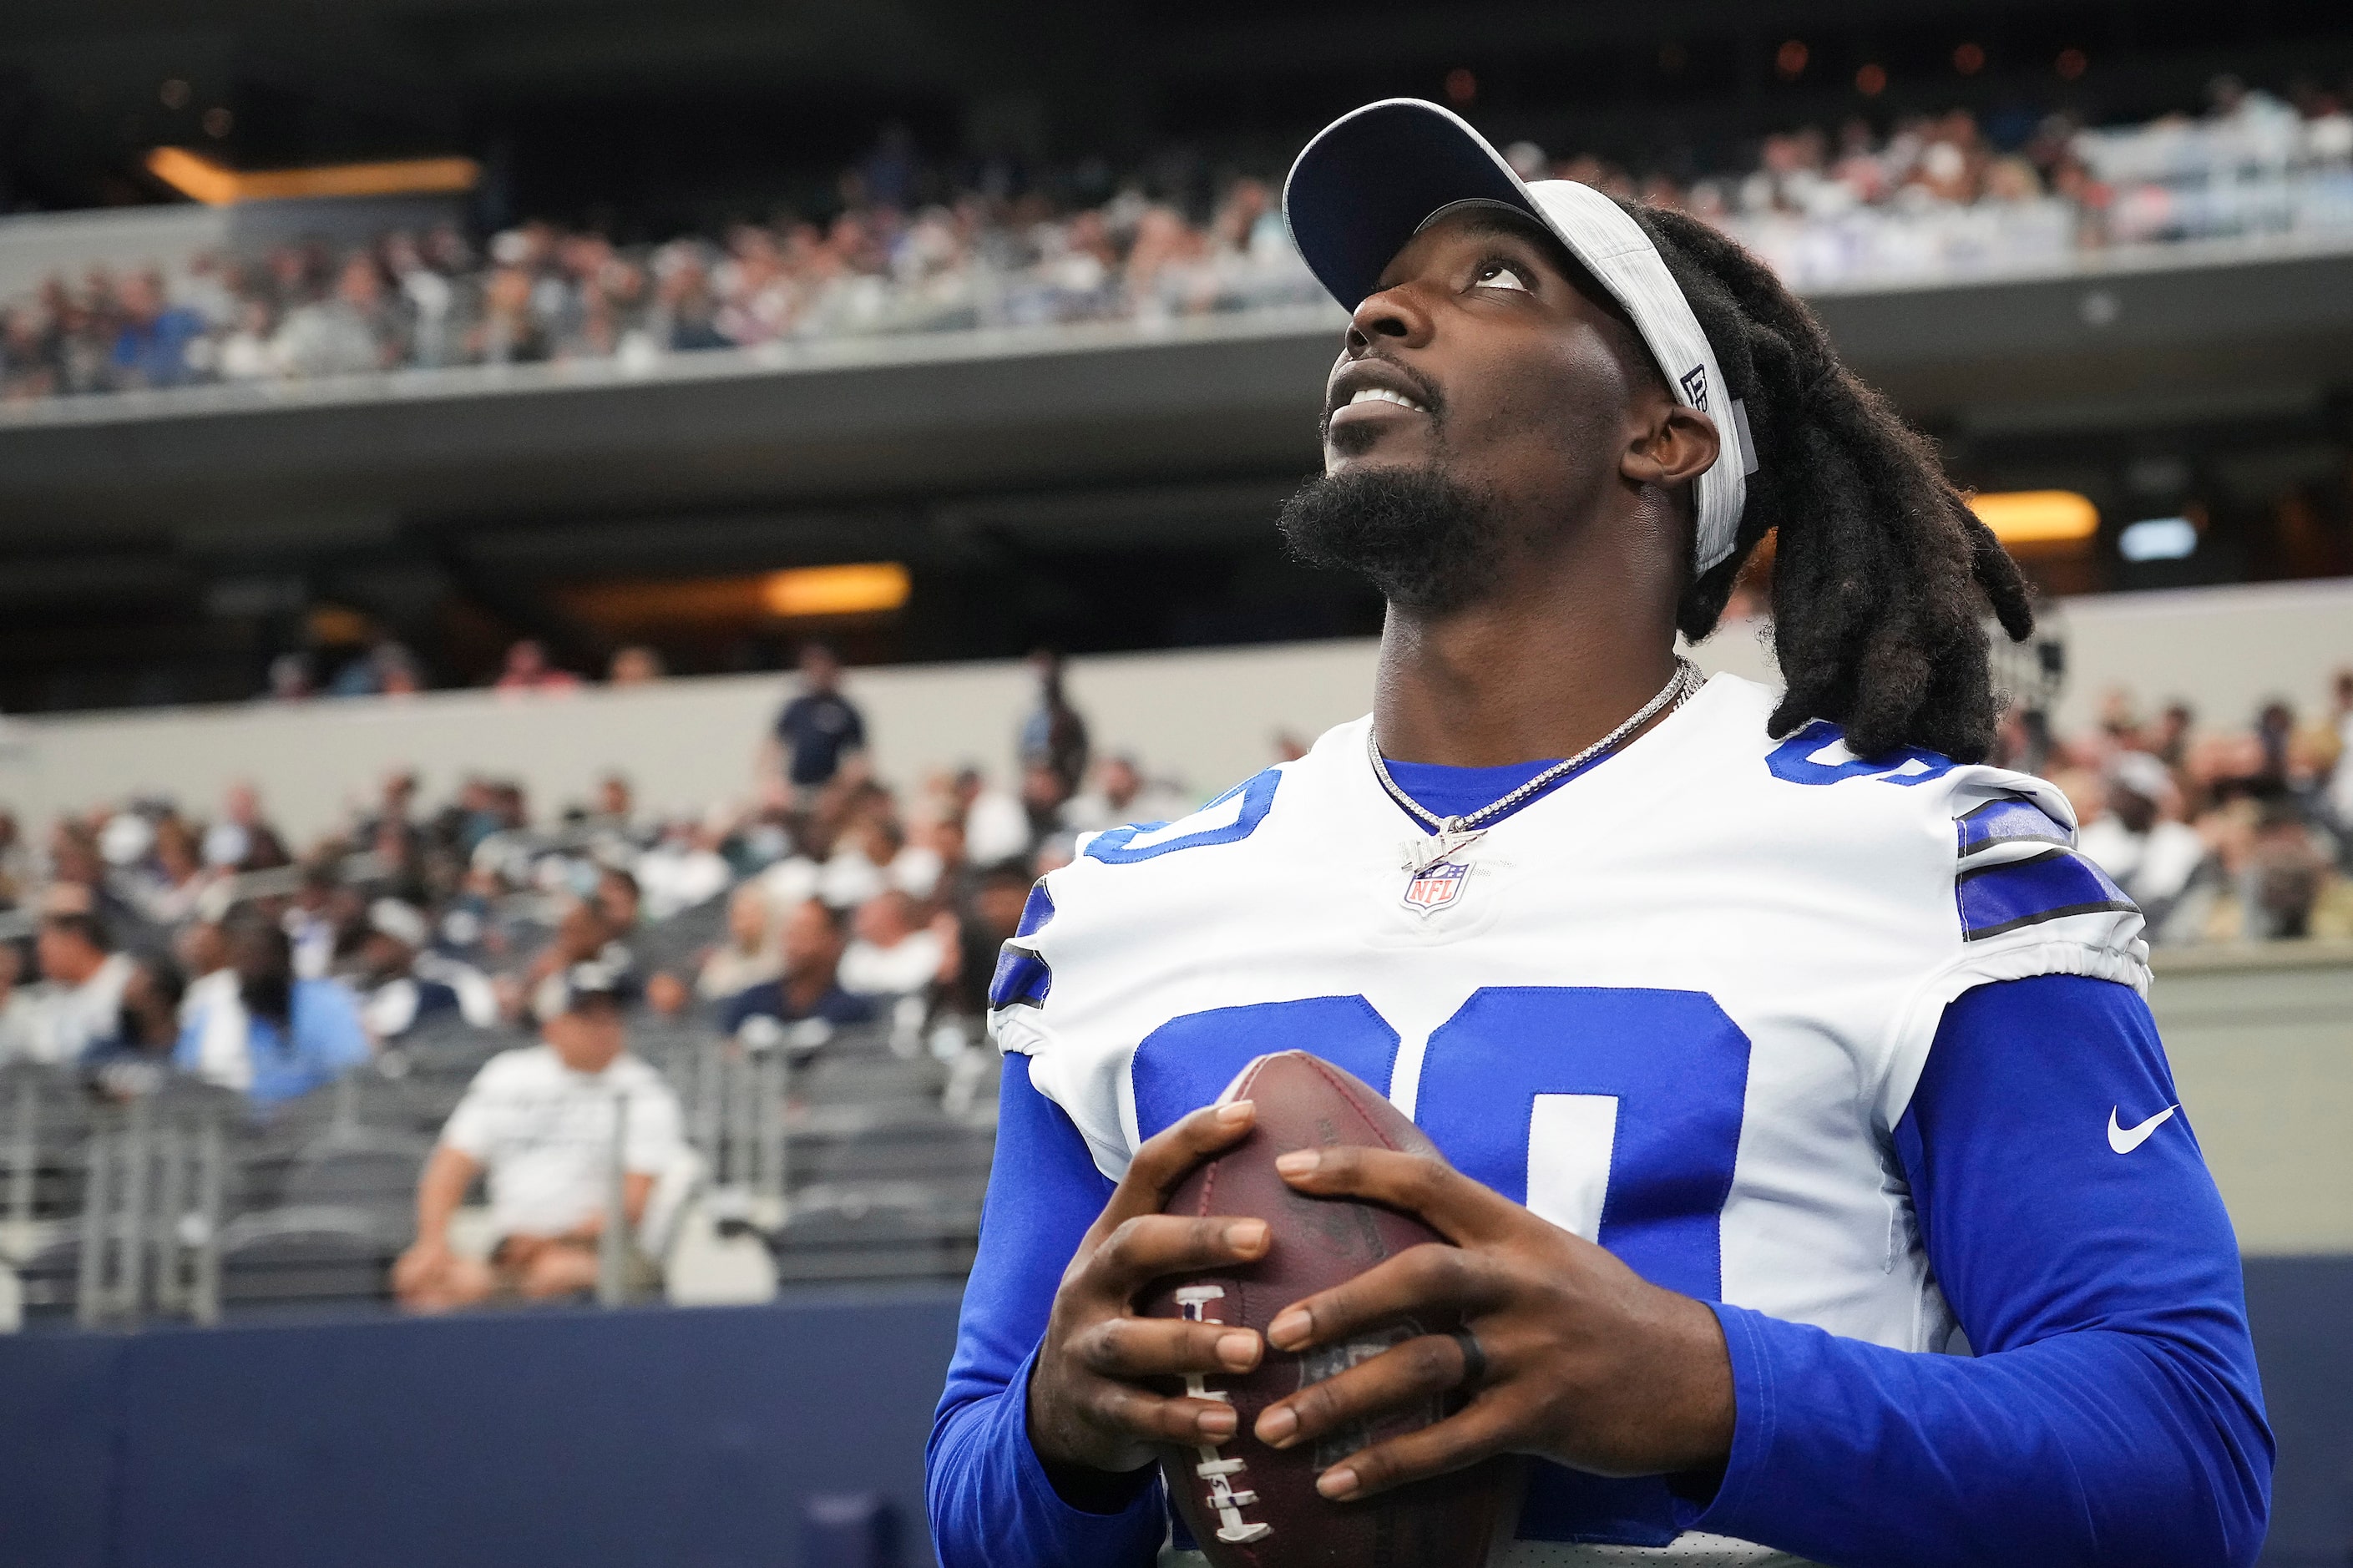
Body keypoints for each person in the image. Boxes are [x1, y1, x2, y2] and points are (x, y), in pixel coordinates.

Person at [928, 101, 2270, 1568]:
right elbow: (981, 1512)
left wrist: (1695, 1387)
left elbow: (2181, 1458)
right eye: (1382, 288)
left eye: (1494, 279)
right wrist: (1062, 1432)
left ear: (1661, 430)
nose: (1375, 307)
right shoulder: (1118, 914)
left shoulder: (1931, 863)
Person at [392, 959, 687, 1312]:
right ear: (552, 1025)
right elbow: (449, 1167)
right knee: (419, 1279)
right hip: (511, 1251)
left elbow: (629, 1208)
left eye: (611, 1015)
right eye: (587, 1016)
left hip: (604, 1251)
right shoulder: (507, 1076)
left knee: (557, 1274)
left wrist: (551, 1241)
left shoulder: (643, 1091)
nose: (603, 1027)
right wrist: (433, 1243)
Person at [175, 910, 371, 1105]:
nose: (253, 970)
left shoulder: (327, 1003)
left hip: (319, 1119)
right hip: (237, 1125)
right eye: (244, 960)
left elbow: (351, 1071)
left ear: (285, 959)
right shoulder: (217, 1011)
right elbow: (187, 1077)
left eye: (261, 957)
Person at [717, 898, 872, 1034]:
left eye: (804, 932)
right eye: (790, 932)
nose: (793, 943)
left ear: (832, 941)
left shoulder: (852, 1012)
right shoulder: (752, 1002)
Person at [19, 908, 134, 1067]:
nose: (41, 961)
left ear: (75, 940)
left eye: (46, 951)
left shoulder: (128, 978)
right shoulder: (53, 998)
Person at [767, 643, 867, 798]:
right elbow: (774, 745)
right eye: (814, 667)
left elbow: (858, 755)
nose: (819, 672)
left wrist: (846, 788)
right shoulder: (796, 708)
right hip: (797, 787)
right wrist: (773, 779)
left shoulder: (846, 710)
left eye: (824, 666)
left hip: (831, 791)